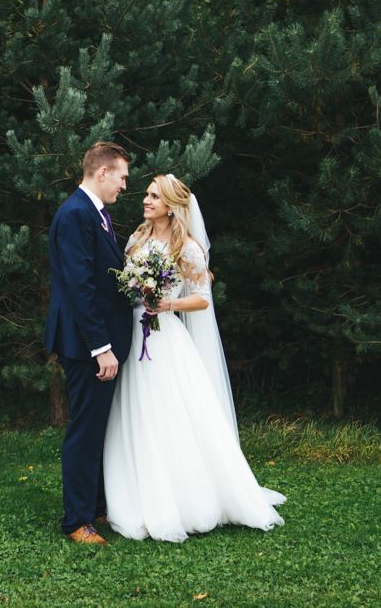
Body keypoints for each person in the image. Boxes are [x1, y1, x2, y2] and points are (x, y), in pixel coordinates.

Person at [103, 174, 286, 542]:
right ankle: (134, 491)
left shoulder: (186, 247)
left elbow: (202, 298)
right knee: (135, 410)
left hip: (164, 335)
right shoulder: (136, 239)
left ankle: (184, 497)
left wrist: (166, 302)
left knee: (169, 412)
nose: (146, 200)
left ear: (171, 205)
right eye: (147, 195)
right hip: (133, 333)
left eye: (155, 196)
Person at [44, 142, 134, 545]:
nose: (124, 185)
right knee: (84, 430)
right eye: (122, 177)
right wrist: (101, 347)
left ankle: (96, 507)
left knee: (97, 427)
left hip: (97, 342)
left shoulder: (96, 215)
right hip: (86, 346)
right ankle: (77, 521)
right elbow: (80, 288)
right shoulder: (76, 214)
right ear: (102, 173)